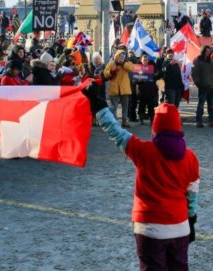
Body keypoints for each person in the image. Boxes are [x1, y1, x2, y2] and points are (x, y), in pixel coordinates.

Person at [82, 84, 199, 270]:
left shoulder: (144, 151)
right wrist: (191, 219)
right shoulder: (191, 157)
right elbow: (192, 195)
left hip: (149, 227)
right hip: (180, 226)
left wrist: (99, 106)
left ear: (156, 127)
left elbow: (115, 131)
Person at [104, 49, 134, 128]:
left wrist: (123, 63)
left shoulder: (127, 63)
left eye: (123, 56)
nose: (121, 58)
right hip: (114, 89)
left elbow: (132, 68)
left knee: (125, 106)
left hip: (125, 88)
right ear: (116, 56)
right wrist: (111, 71)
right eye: (120, 56)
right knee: (114, 106)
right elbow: (105, 73)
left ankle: (124, 121)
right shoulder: (111, 64)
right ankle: (114, 122)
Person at [192, 45, 213, 127]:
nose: (207, 53)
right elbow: (195, 74)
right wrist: (198, 84)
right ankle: (199, 121)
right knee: (201, 105)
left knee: (211, 105)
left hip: (210, 86)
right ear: (203, 51)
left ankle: (212, 121)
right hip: (202, 86)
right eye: (206, 51)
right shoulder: (198, 61)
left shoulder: (210, 61)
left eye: (209, 51)